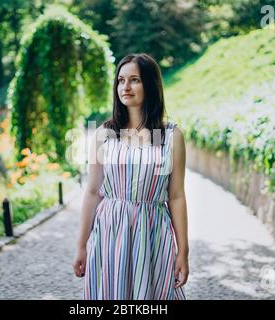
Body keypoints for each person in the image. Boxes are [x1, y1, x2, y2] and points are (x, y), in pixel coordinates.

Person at [73, 53, 189, 300]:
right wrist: (81, 246)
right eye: (120, 80)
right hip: (110, 234)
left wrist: (183, 252)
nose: (125, 87)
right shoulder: (105, 134)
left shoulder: (170, 136)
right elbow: (93, 192)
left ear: (150, 84)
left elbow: (176, 196)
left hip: (153, 235)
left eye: (134, 80)